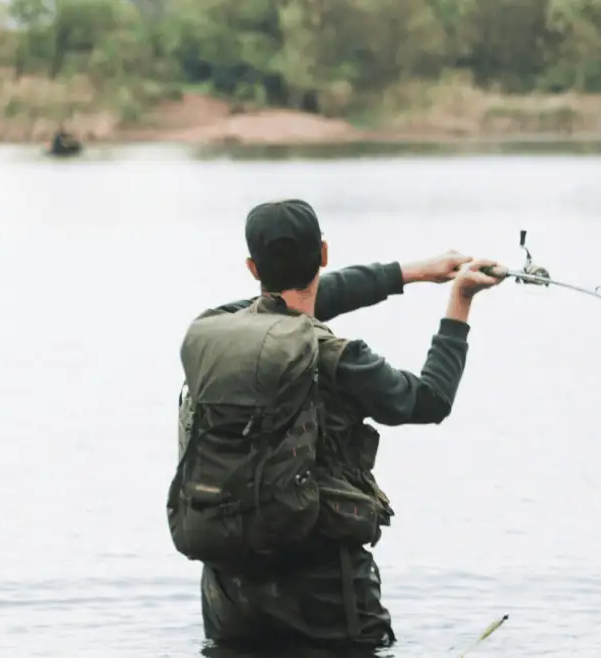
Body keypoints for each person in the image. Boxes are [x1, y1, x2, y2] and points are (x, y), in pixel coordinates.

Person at [170, 199, 503, 654]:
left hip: (230, 591)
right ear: (324, 254)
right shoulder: (339, 358)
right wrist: (459, 299)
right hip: (327, 592)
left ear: (252, 268)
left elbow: (289, 308)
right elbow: (430, 400)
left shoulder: (213, 333)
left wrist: (412, 272)